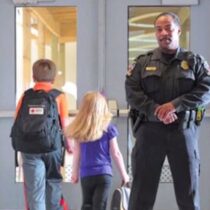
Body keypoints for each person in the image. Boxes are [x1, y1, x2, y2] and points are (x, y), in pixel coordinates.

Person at [125, 12, 210, 210]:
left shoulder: (195, 61)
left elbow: (206, 89)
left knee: (188, 195)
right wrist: (156, 110)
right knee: (140, 196)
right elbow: (132, 93)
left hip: (183, 133)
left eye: (168, 28)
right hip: (149, 133)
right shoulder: (141, 63)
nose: (164, 33)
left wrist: (174, 106)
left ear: (178, 30)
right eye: (159, 29)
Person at [15, 59, 73, 210]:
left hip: (30, 149)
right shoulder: (59, 96)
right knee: (53, 184)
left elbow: (17, 122)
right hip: (53, 148)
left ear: (33, 77)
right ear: (53, 79)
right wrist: (69, 145)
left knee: (35, 192)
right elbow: (65, 124)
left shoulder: (25, 96)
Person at [65, 91, 130, 210]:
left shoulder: (80, 130)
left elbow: (77, 153)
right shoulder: (109, 129)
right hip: (103, 174)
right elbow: (116, 153)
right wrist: (124, 175)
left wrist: (74, 173)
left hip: (86, 174)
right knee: (100, 205)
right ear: (103, 109)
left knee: (87, 204)